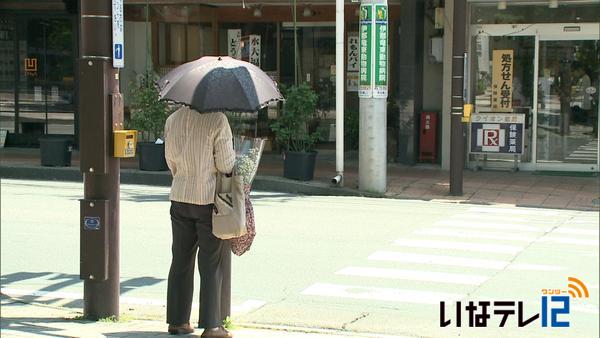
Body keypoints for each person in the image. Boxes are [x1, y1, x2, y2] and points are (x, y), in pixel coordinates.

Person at [164, 106, 235, 338]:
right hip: (207, 198)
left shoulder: (173, 119)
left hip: (180, 195)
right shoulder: (217, 119)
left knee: (181, 258)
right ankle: (212, 325)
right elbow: (225, 165)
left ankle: (177, 321)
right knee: (211, 262)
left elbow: (170, 161)